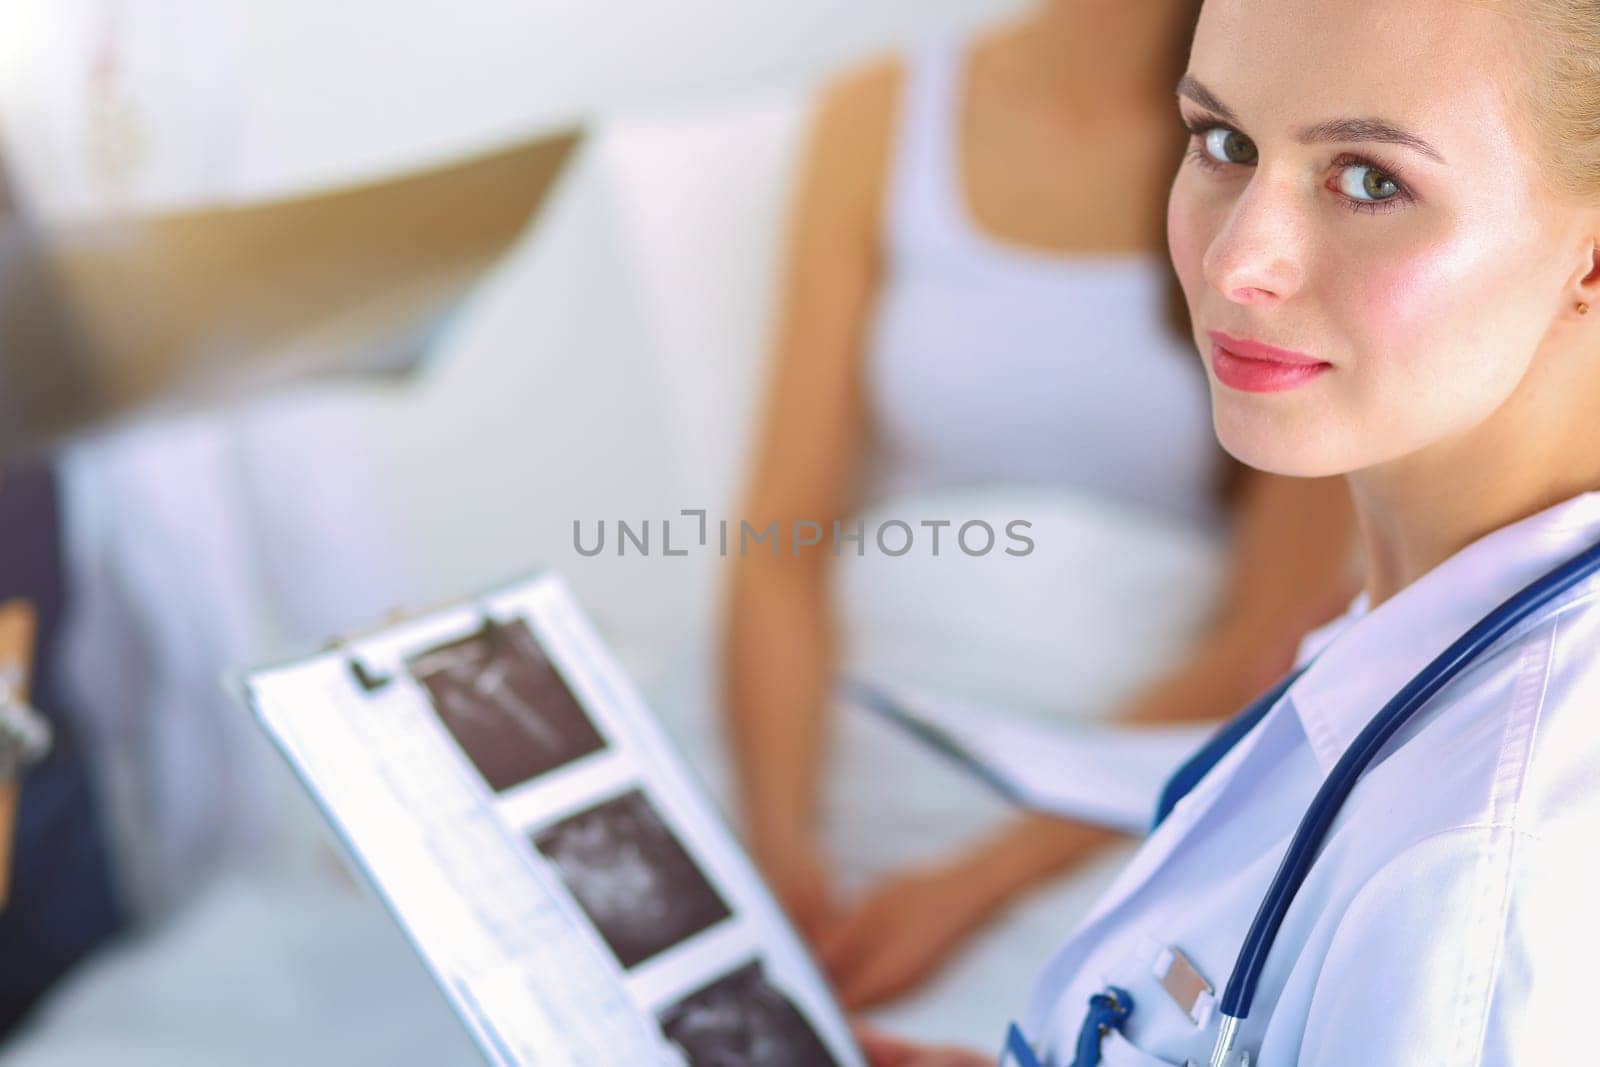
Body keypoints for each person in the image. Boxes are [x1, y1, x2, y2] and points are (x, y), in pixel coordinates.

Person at [864, 0, 1600, 1062]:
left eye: (1369, 179)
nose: (1235, 260)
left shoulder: (1477, 876)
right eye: (1223, 143)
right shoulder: (1420, 627)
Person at [722, 0, 1355, 1014]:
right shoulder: (881, 111)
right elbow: (775, 541)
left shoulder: (1294, 156)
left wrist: (968, 885)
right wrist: (772, 854)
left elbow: (1267, 637)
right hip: (853, 726)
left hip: (1115, 793)